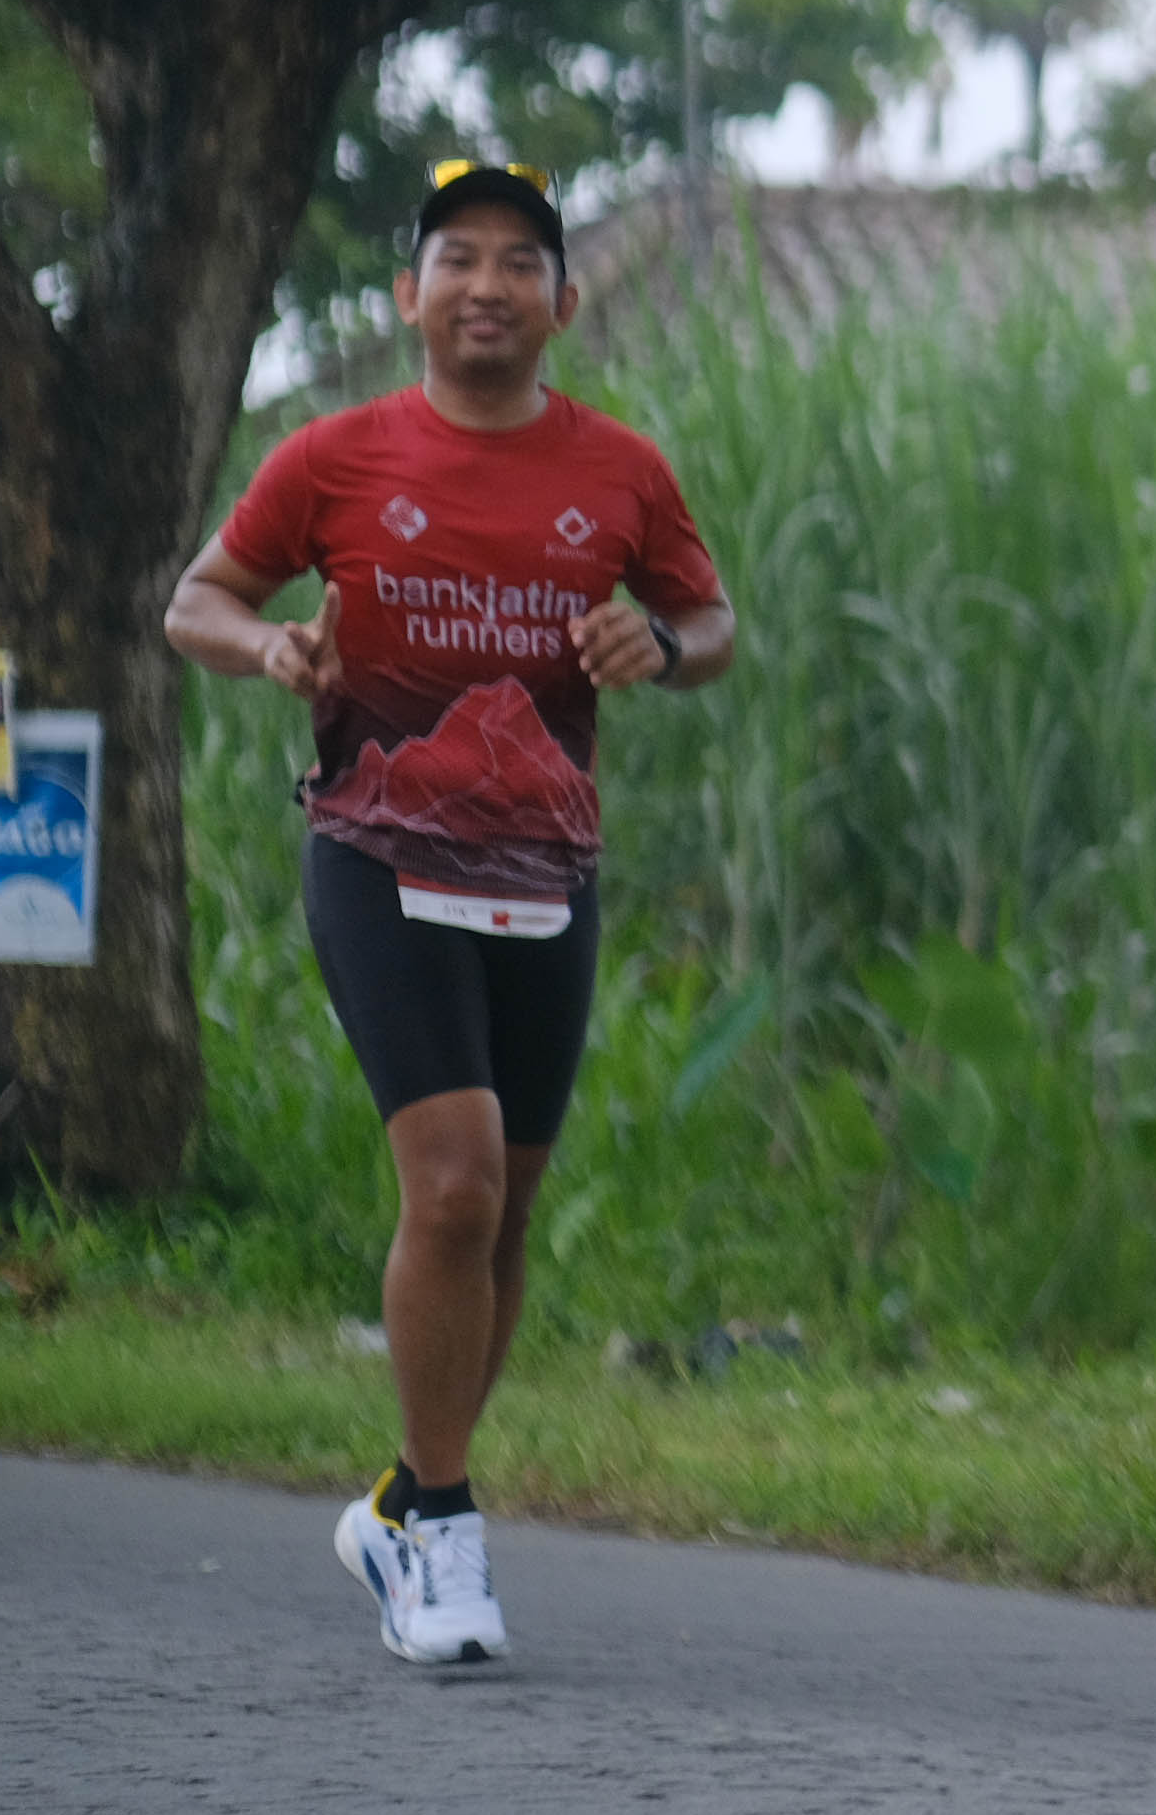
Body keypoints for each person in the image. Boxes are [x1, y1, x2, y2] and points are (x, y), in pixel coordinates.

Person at [164, 163, 733, 1666]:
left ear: (563, 300)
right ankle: (448, 1534)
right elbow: (196, 602)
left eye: (520, 262)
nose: (489, 284)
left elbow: (711, 619)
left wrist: (661, 643)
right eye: (458, 259)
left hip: (543, 869)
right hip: (378, 848)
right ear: (408, 297)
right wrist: (271, 649)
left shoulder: (621, 470)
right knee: (459, 1184)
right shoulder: (336, 456)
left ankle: (400, 1504)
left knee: (510, 1206)